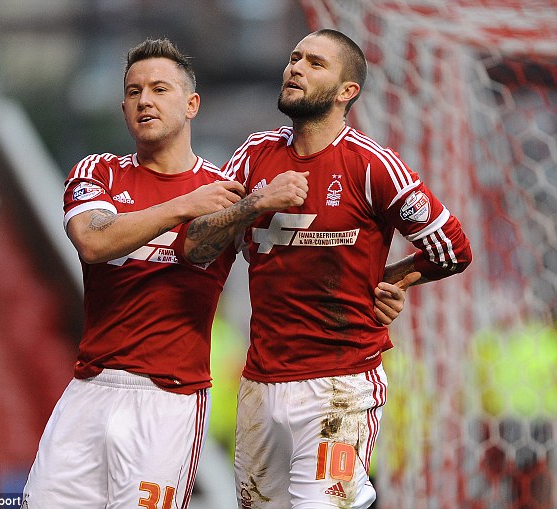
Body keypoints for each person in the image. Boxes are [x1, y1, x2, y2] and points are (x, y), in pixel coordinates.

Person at [22, 37, 409, 509]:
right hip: (88, 389)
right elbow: (94, 240)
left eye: (160, 88)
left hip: (170, 399)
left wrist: (380, 286)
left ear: (191, 105)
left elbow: (298, 252)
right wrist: (185, 206)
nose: (144, 99)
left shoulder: (229, 189)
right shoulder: (99, 172)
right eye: (133, 91)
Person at [177, 29, 472, 509]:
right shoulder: (254, 155)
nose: (295, 67)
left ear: (346, 92)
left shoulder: (373, 165)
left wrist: (389, 279)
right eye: (294, 57)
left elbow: (452, 250)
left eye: (315, 63)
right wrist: (257, 203)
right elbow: (196, 246)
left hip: (340, 385)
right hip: (260, 383)